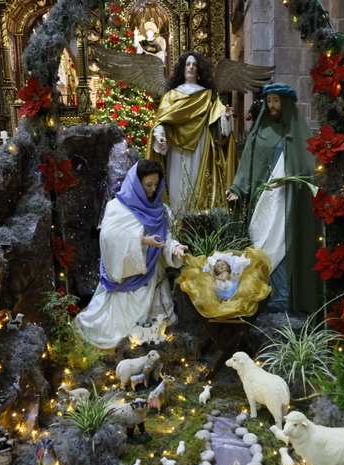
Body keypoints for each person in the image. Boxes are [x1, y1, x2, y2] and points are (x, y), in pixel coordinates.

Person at [225, 84, 323, 314]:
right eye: (269, 101)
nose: (272, 106)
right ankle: (263, 298)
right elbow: (248, 163)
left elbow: (310, 168)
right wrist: (237, 188)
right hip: (263, 201)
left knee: (284, 246)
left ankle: (284, 300)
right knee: (261, 244)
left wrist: (289, 179)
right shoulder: (261, 131)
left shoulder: (298, 132)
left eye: (276, 101)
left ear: (286, 103)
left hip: (287, 202)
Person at [74, 159, 187, 349]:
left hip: (152, 277)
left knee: (155, 333)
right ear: (136, 184)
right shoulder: (117, 207)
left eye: (156, 184)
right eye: (148, 185)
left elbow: (166, 238)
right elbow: (109, 238)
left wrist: (174, 246)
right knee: (122, 332)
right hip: (128, 276)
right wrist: (143, 241)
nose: (153, 189)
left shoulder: (162, 210)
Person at [147, 51, 237, 216]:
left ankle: (196, 222)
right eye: (188, 64)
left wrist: (225, 116)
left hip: (200, 145)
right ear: (182, 68)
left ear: (199, 70)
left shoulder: (208, 95)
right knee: (176, 183)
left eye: (194, 65)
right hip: (175, 149)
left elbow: (217, 120)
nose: (191, 68)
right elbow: (161, 122)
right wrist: (159, 136)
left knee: (197, 180)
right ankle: (176, 222)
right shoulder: (170, 96)